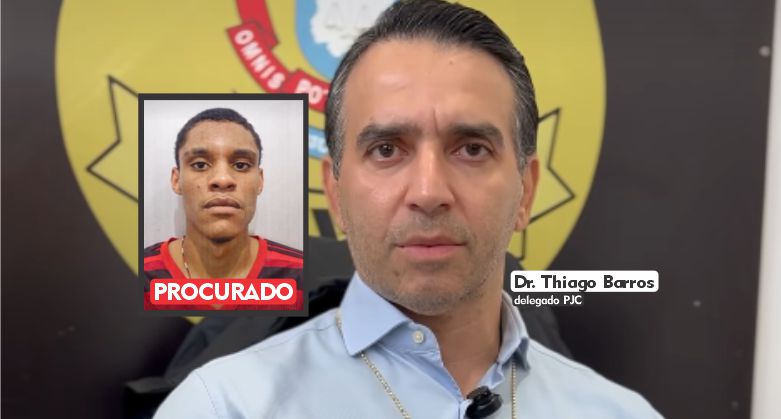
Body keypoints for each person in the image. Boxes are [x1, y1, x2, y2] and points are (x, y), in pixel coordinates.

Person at [154, 1, 662, 417]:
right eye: (386, 150)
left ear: (525, 193)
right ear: (335, 192)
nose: (428, 190)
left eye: (471, 149)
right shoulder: (223, 408)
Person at [142, 107, 303, 310]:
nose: (223, 179)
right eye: (200, 165)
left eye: (241, 165)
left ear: (260, 181)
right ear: (176, 180)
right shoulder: (139, 274)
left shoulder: (300, 275)